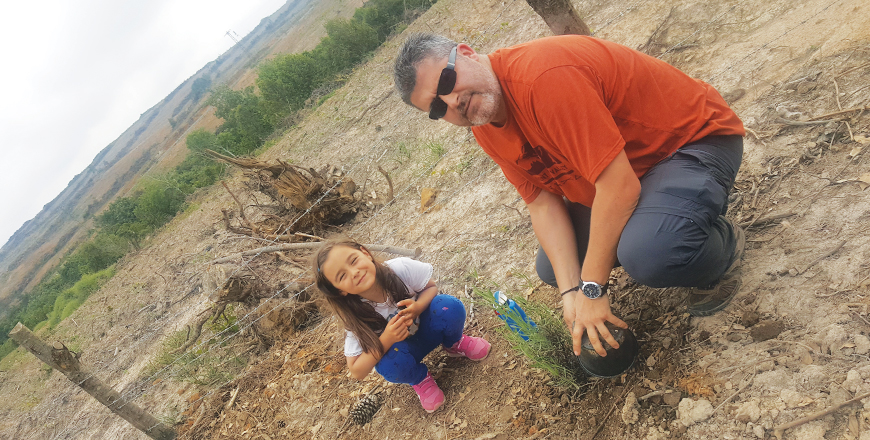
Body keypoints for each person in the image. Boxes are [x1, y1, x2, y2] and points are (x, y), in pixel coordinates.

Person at [393, 33, 746, 359]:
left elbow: (620, 188)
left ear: (467, 53)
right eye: (437, 108)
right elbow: (541, 203)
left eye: (446, 82)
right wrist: (571, 294)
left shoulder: (542, 80)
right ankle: (665, 219)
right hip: (629, 174)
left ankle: (720, 247)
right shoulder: (485, 125)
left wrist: (591, 288)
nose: (452, 102)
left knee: (649, 254)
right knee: (556, 268)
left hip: (689, 144)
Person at [312, 237, 490, 413]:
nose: (354, 272)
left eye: (353, 260)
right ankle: (420, 379)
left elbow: (431, 288)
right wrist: (387, 339)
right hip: (405, 352)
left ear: (365, 253)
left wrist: (418, 307)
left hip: (429, 330)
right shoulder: (355, 317)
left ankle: (454, 343)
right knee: (387, 365)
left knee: (447, 305)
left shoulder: (399, 269)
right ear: (340, 291)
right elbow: (357, 371)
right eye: (342, 276)